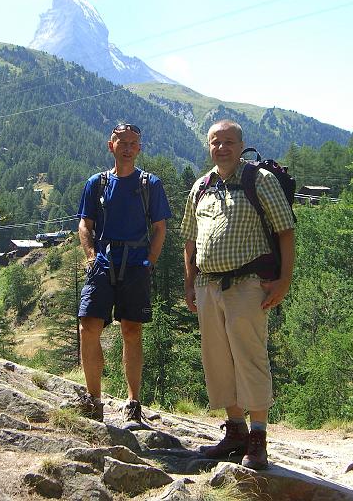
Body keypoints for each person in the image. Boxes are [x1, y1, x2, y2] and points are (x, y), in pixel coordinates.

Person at [181, 119, 295, 470]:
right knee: (217, 359)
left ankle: (258, 438)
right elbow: (189, 238)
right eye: (216, 142)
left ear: (240, 144)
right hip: (207, 286)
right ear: (209, 146)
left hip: (248, 285)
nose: (222, 148)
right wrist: (189, 283)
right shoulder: (201, 187)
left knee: (249, 357)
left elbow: (286, 230)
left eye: (229, 141)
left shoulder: (259, 180)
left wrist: (284, 280)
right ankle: (235, 432)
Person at [75, 123, 171, 423]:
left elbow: (159, 228)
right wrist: (91, 258)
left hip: (135, 265)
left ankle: (133, 403)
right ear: (110, 145)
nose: (127, 147)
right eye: (121, 142)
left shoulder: (149, 184)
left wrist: (149, 262)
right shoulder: (97, 183)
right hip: (103, 263)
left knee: (132, 331)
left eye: (133, 143)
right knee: (88, 327)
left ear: (139, 148)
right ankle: (94, 400)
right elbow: (84, 225)